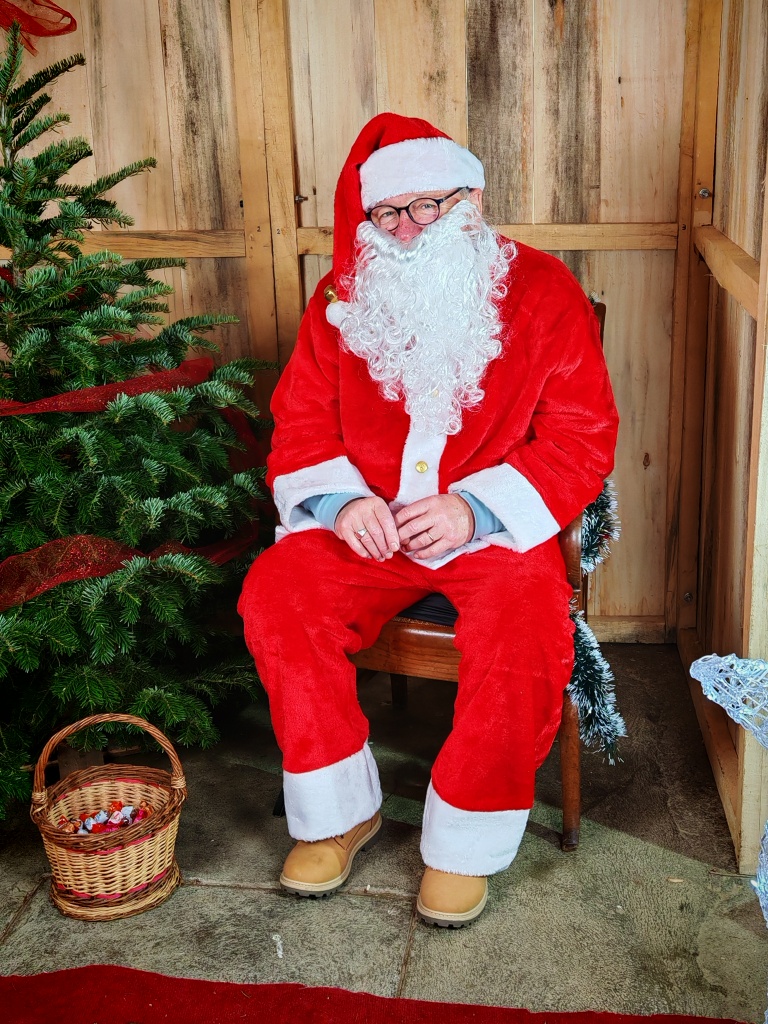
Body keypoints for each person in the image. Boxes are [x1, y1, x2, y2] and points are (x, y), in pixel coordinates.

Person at [238, 113, 619, 927]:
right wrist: (341, 503)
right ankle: (338, 813)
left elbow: (581, 437)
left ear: (471, 199)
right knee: (279, 591)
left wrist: (473, 508)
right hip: (369, 527)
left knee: (526, 620)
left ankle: (465, 840)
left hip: (493, 532)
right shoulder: (340, 299)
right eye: (387, 213)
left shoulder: (544, 290)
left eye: (426, 206)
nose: (407, 229)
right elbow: (301, 423)